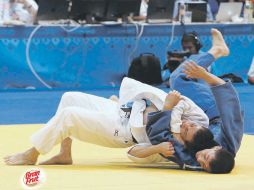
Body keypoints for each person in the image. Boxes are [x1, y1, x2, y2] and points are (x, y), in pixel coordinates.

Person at [129, 29, 243, 173]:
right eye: (206, 157)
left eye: (203, 164)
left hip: (195, 114)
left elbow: (161, 137)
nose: (200, 159)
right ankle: (217, 51)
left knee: (176, 81)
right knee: (179, 79)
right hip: (215, 112)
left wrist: (167, 108)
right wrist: (205, 75)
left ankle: (216, 51)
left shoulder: (192, 160)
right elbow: (230, 105)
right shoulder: (229, 142)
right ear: (217, 148)